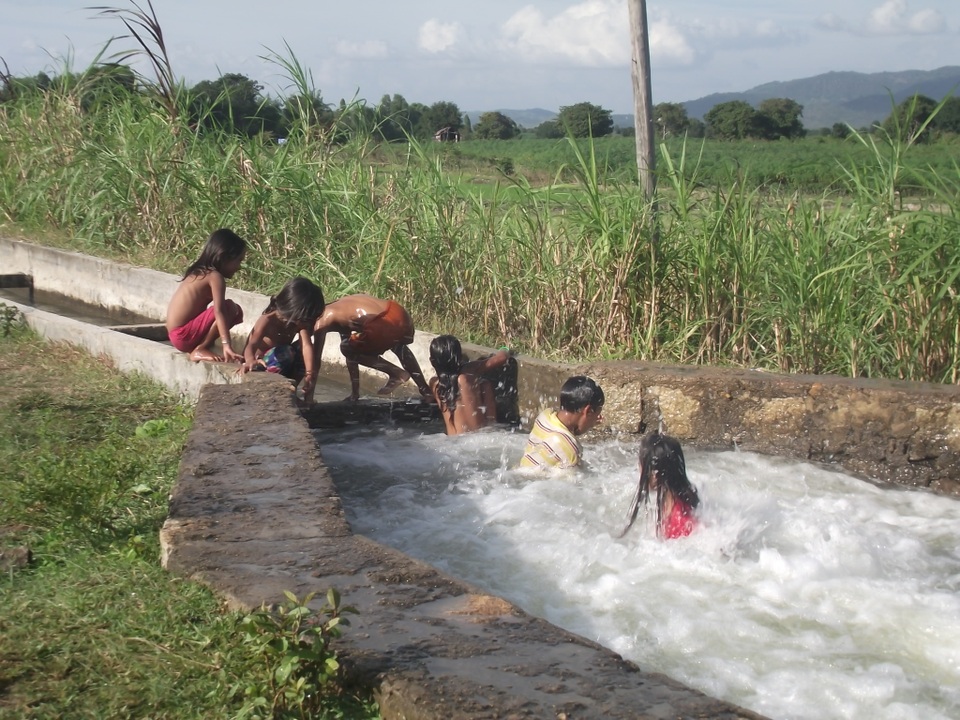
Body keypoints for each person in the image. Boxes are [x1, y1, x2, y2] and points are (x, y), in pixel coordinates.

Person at [312, 294, 431, 401]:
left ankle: (397, 373)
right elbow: (351, 357)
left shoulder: (321, 321)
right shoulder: (339, 306)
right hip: (398, 314)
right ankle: (426, 390)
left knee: (346, 348)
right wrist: (355, 393)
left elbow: (316, 361)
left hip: (380, 324)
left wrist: (308, 398)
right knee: (397, 346)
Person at [165, 228, 246, 363]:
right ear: (224, 257)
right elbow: (219, 311)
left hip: (177, 335)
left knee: (235, 311)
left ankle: (202, 346)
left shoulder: (200, 272)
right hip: (182, 335)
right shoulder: (214, 277)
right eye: (238, 261)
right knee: (231, 308)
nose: (239, 267)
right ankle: (200, 348)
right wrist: (226, 345)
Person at [240, 277, 326, 402]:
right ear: (293, 309)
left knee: (300, 350)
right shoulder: (268, 319)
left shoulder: (298, 323)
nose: (306, 322)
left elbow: (306, 346)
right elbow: (252, 344)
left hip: (282, 368)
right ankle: (270, 391)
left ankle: (289, 391)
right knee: (286, 352)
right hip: (260, 368)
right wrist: (249, 360)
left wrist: (309, 374)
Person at [619, 432, 700, 540]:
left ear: (655, 474)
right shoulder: (679, 499)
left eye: (640, 465)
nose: (638, 470)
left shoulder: (679, 522)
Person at [428, 335, 511, 435]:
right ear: (459, 357)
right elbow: (502, 358)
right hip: (480, 438)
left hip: (452, 442)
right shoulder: (468, 372)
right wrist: (504, 349)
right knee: (485, 384)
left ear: (432, 362)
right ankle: (492, 426)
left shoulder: (435, 385)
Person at [519, 375, 604, 469]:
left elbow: (562, 434)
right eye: (597, 414)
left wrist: (589, 419)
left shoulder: (544, 416)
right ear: (588, 411)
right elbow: (575, 482)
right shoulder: (571, 450)